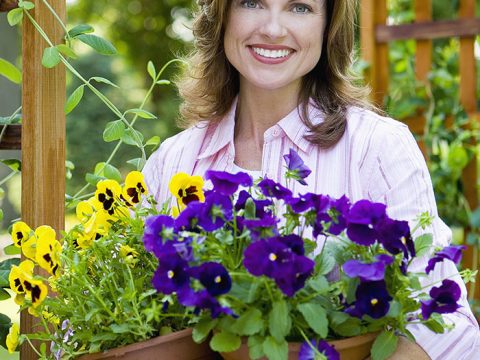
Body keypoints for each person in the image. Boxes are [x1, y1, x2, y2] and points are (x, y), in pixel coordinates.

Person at [142, 0, 480, 358]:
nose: (273, 28)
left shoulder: (375, 148)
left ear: (327, 26)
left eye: (299, 7)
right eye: (252, 2)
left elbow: (448, 328)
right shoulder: (174, 160)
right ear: (222, 16)